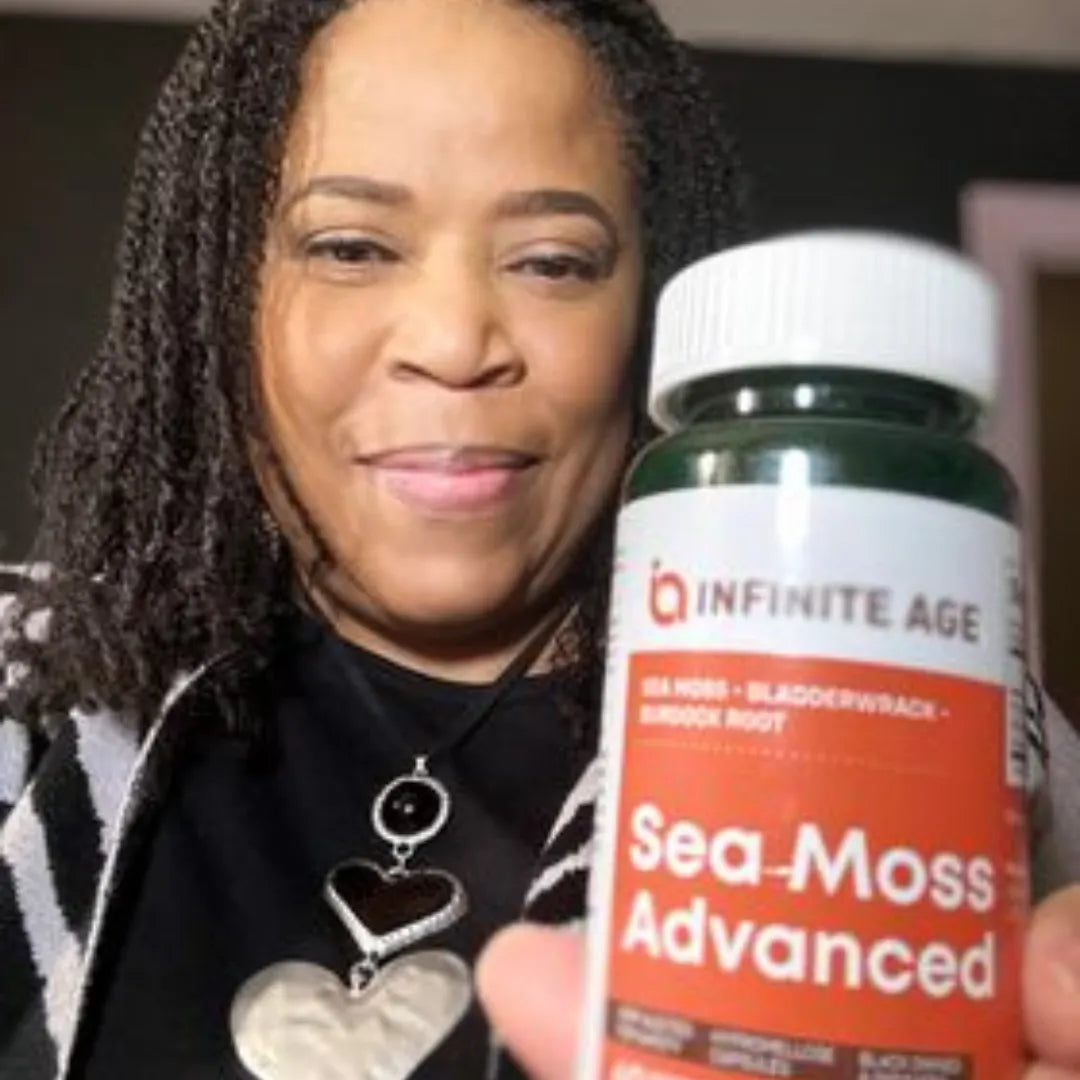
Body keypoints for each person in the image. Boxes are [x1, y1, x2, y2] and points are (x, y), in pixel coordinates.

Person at [0, 1, 1077, 1078]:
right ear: (214, 303)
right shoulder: (29, 683)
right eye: (351, 247)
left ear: (651, 316)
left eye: (554, 262)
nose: (455, 341)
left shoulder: (930, 722)